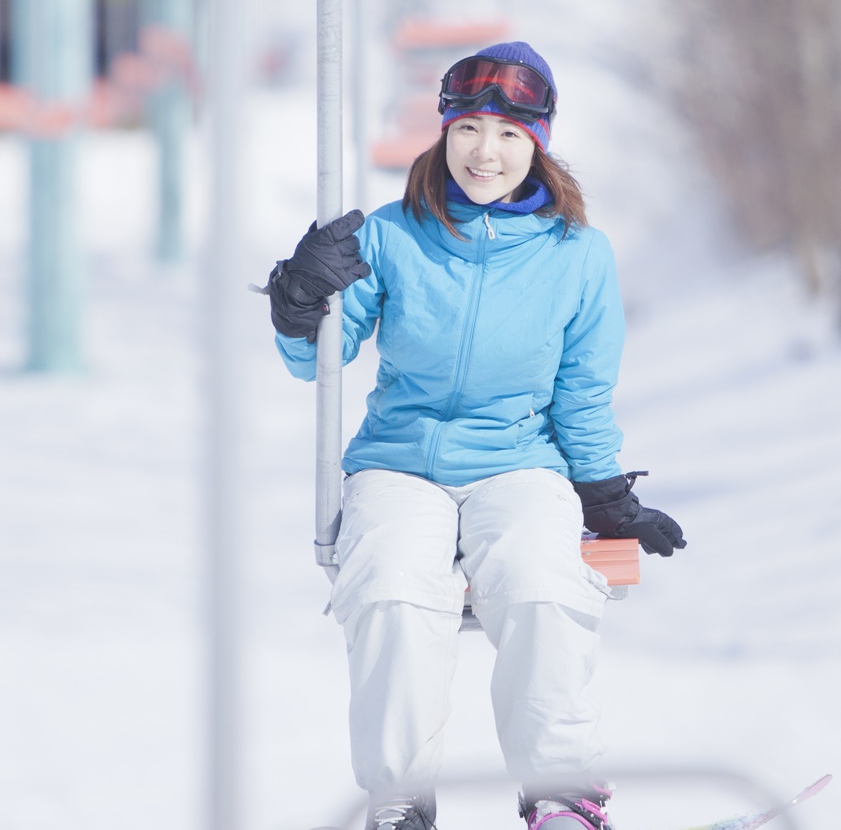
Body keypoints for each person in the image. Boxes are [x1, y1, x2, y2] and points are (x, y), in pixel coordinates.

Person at [260, 41, 686, 830]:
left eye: (510, 136)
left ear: (539, 146)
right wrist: (298, 303)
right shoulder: (391, 235)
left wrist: (604, 493)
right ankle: (397, 799)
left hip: (518, 460)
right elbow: (318, 360)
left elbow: (583, 392)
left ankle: (562, 793)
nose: (484, 152)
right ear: (445, 131)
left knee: (539, 576)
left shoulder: (579, 256)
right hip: (398, 461)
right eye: (469, 130)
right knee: (389, 579)